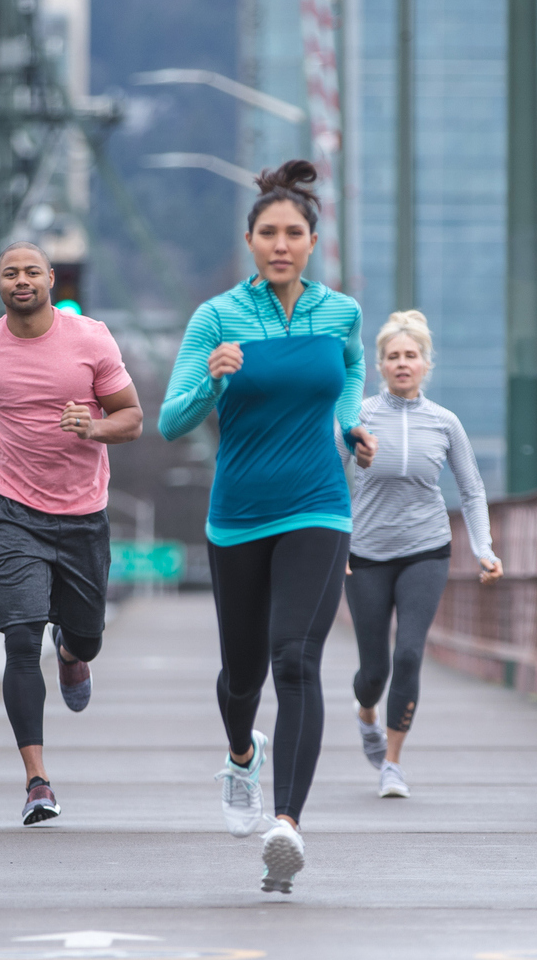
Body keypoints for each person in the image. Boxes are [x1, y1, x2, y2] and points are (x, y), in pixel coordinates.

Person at [159, 159, 376, 894]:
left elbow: (349, 375)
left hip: (318, 503)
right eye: (267, 233)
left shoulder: (340, 312)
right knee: (242, 674)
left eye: (293, 233)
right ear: (249, 240)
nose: (280, 244)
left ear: (313, 240)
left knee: (295, 659)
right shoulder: (216, 317)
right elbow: (169, 421)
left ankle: (286, 824)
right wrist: (212, 379)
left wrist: (350, 428)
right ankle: (239, 757)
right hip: (238, 514)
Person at [0, 241, 142, 826]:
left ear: (51, 279)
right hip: (12, 511)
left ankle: (73, 653)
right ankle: (37, 781)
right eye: (10, 273)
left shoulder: (90, 339)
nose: (21, 280)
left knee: (86, 638)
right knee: (18, 637)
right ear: (0, 285)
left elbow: (132, 419)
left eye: (32, 271)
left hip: (83, 514)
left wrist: (95, 426)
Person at [342, 310, 502, 800]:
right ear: (380, 365)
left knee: (409, 653)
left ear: (427, 364)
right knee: (374, 672)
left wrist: (484, 549)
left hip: (426, 550)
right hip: (365, 553)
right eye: (393, 356)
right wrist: (334, 545)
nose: (403, 363)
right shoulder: (358, 416)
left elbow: (472, 491)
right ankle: (366, 712)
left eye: (411, 356)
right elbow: (329, 481)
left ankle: (392, 763)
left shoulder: (445, 423)